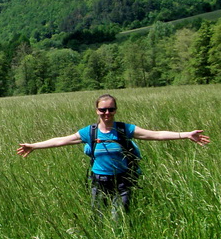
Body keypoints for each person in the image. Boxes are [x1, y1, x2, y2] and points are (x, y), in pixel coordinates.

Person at [17, 94, 210, 220]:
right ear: (97, 111)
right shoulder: (90, 132)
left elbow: (156, 135)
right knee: (98, 218)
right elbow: (61, 141)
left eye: (110, 109)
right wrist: (34, 146)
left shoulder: (125, 129)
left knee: (119, 219)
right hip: (99, 182)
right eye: (103, 110)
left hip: (123, 182)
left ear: (115, 110)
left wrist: (184, 135)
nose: (107, 113)